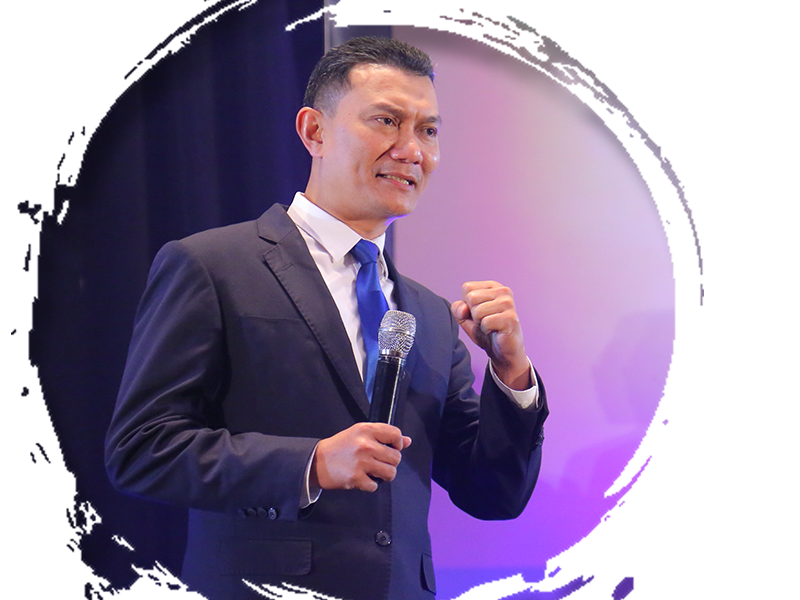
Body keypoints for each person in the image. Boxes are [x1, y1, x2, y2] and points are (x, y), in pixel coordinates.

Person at [105, 36, 548, 600]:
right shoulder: (213, 266)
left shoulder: (431, 315)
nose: (411, 150)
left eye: (429, 130)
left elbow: (493, 494)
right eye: (386, 121)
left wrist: (511, 374)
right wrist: (310, 464)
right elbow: (142, 449)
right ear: (314, 131)